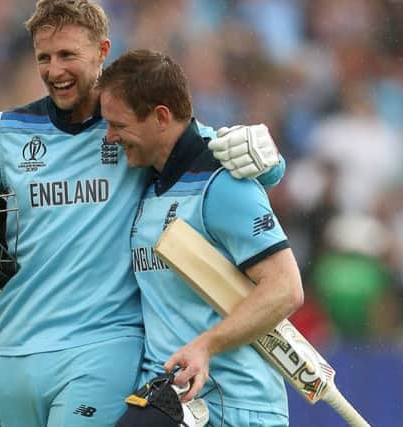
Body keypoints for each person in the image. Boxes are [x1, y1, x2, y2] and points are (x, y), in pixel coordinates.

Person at [0, 1, 285, 426]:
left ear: (102, 51)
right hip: (12, 352)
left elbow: (206, 153)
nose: (54, 70)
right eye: (44, 57)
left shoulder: (130, 125)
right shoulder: (9, 131)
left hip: (102, 352)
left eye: (68, 55)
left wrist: (269, 160)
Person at [97, 49, 304, 427]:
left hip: (235, 406)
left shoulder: (220, 183)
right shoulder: (148, 179)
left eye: (118, 125)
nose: (109, 137)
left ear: (161, 116)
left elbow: (285, 288)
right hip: (173, 400)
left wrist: (207, 345)